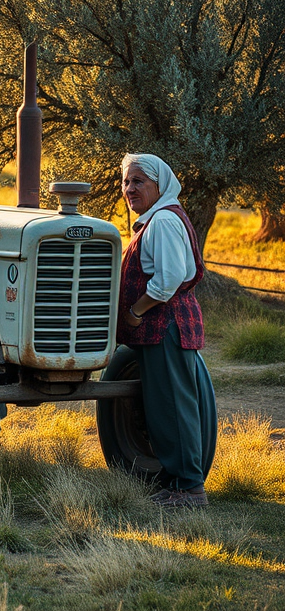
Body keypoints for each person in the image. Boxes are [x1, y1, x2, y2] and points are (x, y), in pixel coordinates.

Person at [117, 153, 211, 507]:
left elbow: (169, 279)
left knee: (173, 406)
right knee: (164, 406)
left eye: (139, 181)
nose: (130, 188)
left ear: (161, 183)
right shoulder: (155, 220)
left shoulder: (165, 222)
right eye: (126, 181)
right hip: (164, 327)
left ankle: (188, 488)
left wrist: (135, 313)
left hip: (166, 325)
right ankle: (177, 483)